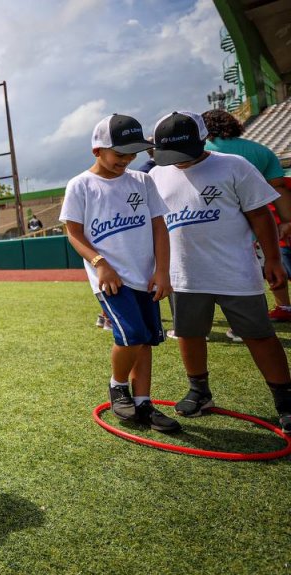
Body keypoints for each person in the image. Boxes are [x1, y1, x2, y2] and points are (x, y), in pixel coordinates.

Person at [150, 111, 291, 433]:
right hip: (184, 274)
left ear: (203, 139)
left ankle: (285, 401)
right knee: (189, 333)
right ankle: (199, 391)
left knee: (259, 336)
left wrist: (272, 259)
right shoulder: (157, 175)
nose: (178, 161)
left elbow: (260, 216)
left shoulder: (233, 165)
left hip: (235, 271)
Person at [60, 113, 179, 433]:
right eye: (119, 153)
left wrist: (162, 271)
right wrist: (101, 263)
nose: (126, 159)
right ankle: (118, 386)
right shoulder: (81, 185)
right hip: (111, 278)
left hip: (146, 276)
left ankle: (144, 403)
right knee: (132, 335)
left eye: (132, 153)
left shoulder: (143, 181)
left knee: (146, 341)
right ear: (97, 150)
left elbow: (159, 226)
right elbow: (73, 233)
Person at [202, 109, 291, 326]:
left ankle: (238, 321)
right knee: (268, 262)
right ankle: (284, 305)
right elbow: (278, 186)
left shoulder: (201, 151)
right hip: (259, 218)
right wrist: (287, 220)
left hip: (217, 219)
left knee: (225, 272)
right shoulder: (260, 150)